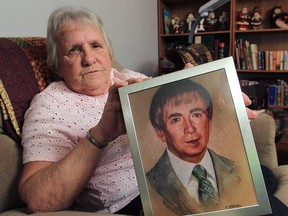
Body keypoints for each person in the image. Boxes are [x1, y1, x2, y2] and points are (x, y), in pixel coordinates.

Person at [17, 5, 270, 215]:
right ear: (57, 65)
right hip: (135, 203)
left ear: (108, 52)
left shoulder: (130, 77)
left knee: (262, 180)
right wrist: (101, 134)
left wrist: (222, 100)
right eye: (73, 50)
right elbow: (38, 199)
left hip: (186, 177)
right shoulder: (49, 104)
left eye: (96, 45)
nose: (89, 58)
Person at [146, 79, 240, 214]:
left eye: (196, 114)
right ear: (161, 133)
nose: (189, 128)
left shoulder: (237, 170)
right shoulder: (150, 185)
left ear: (209, 123)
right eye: (176, 119)